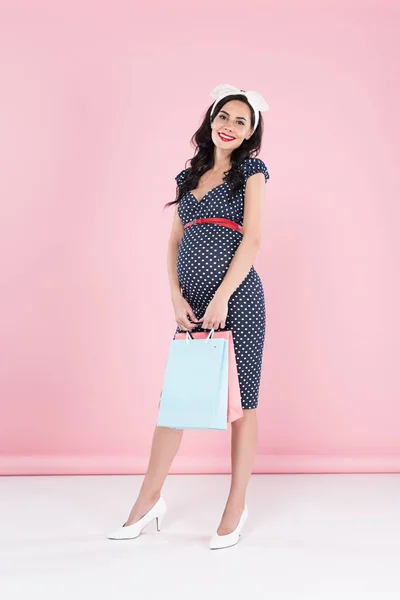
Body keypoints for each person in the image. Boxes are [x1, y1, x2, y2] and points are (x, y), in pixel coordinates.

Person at [107, 83, 270, 549]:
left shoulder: (252, 171)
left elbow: (253, 239)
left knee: (244, 403)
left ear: (250, 132)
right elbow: (175, 243)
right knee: (175, 400)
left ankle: (236, 505)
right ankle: (148, 499)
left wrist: (222, 296)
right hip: (192, 306)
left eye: (242, 121)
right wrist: (177, 297)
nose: (230, 126)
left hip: (237, 299)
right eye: (225, 116)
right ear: (211, 119)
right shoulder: (187, 178)